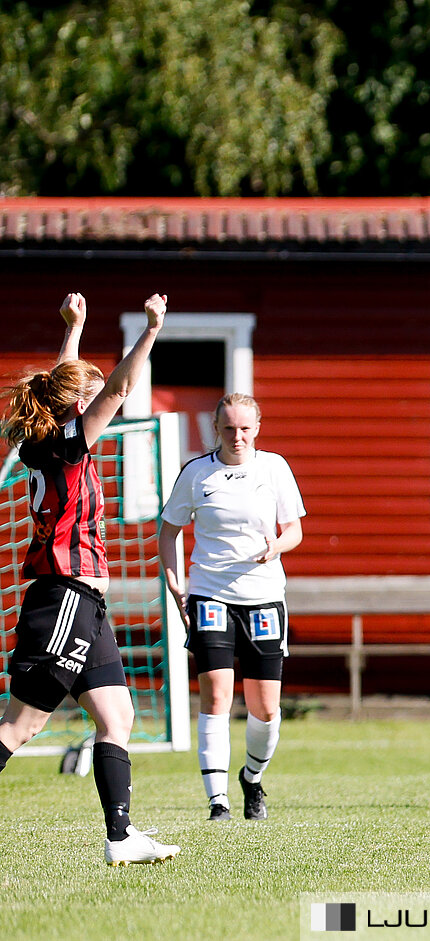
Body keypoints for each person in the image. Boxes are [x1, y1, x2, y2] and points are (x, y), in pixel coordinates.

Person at [0, 291, 180, 865]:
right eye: (87, 392)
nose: (99, 399)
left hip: (87, 604)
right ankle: (121, 837)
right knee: (20, 727)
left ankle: (121, 839)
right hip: (62, 598)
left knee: (117, 716)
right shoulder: (63, 446)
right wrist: (151, 330)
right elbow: (121, 388)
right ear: (77, 403)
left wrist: (75, 328)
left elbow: (68, 385)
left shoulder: (52, 439)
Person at [157, 393, 305, 822]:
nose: (237, 437)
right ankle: (216, 802)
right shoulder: (197, 473)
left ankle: (252, 780)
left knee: (266, 709)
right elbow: (168, 532)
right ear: (215, 429)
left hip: (263, 598)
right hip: (209, 595)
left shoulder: (274, 467)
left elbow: (293, 530)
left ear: (257, 428)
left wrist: (274, 546)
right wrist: (175, 585)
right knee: (217, 695)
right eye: (228, 428)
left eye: (244, 428)